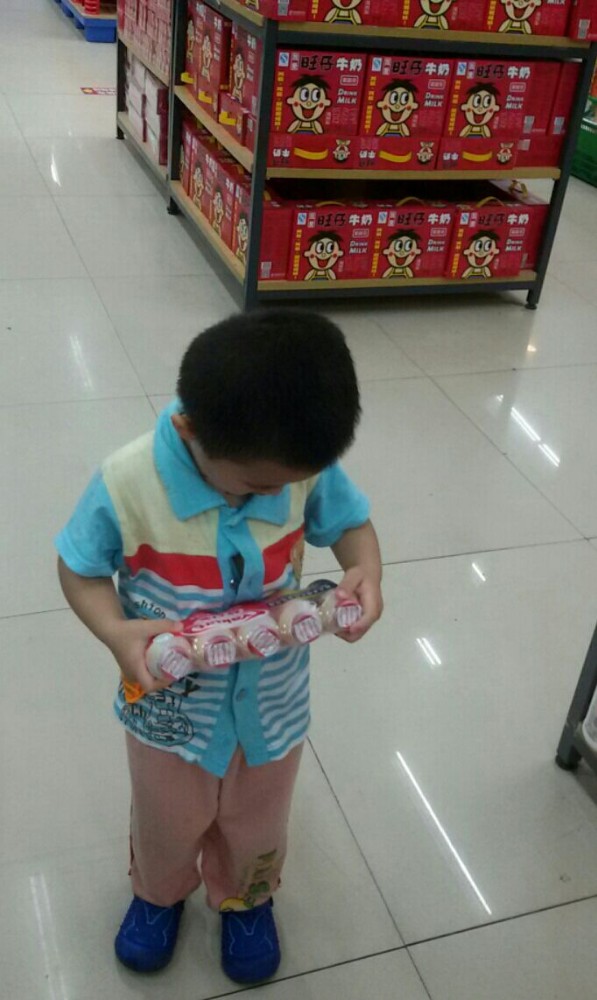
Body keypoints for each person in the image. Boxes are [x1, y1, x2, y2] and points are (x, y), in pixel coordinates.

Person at [55, 309, 383, 984]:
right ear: (189, 431)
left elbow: (351, 524)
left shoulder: (295, 464)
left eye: (290, 483)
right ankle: (158, 894)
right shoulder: (126, 482)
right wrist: (115, 632)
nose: (279, 494)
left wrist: (365, 571)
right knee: (165, 820)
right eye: (261, 486)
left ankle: (246, 897)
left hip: (273, 704)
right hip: (168, 712)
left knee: (259, 820)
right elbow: (78, 567)